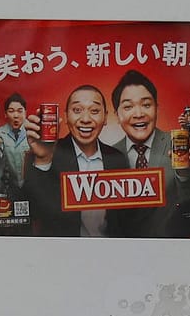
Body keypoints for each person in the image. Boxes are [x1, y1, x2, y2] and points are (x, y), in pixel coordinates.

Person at [23, 83, 126, 237]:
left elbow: (126, 221)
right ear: (66, 116)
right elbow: (33, 214)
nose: (85, 119)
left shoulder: (117, 159)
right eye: (77, 110)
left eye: (94, 111)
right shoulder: (45, 156)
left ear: (105, 117)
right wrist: (43, 160)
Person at [110, 69, 190, 237]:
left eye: (146, 105)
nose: (139, 114)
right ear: (117, 115)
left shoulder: (177, 145)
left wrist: (185, 172)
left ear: (157, 109)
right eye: (128, 107)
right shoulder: (108, 154)